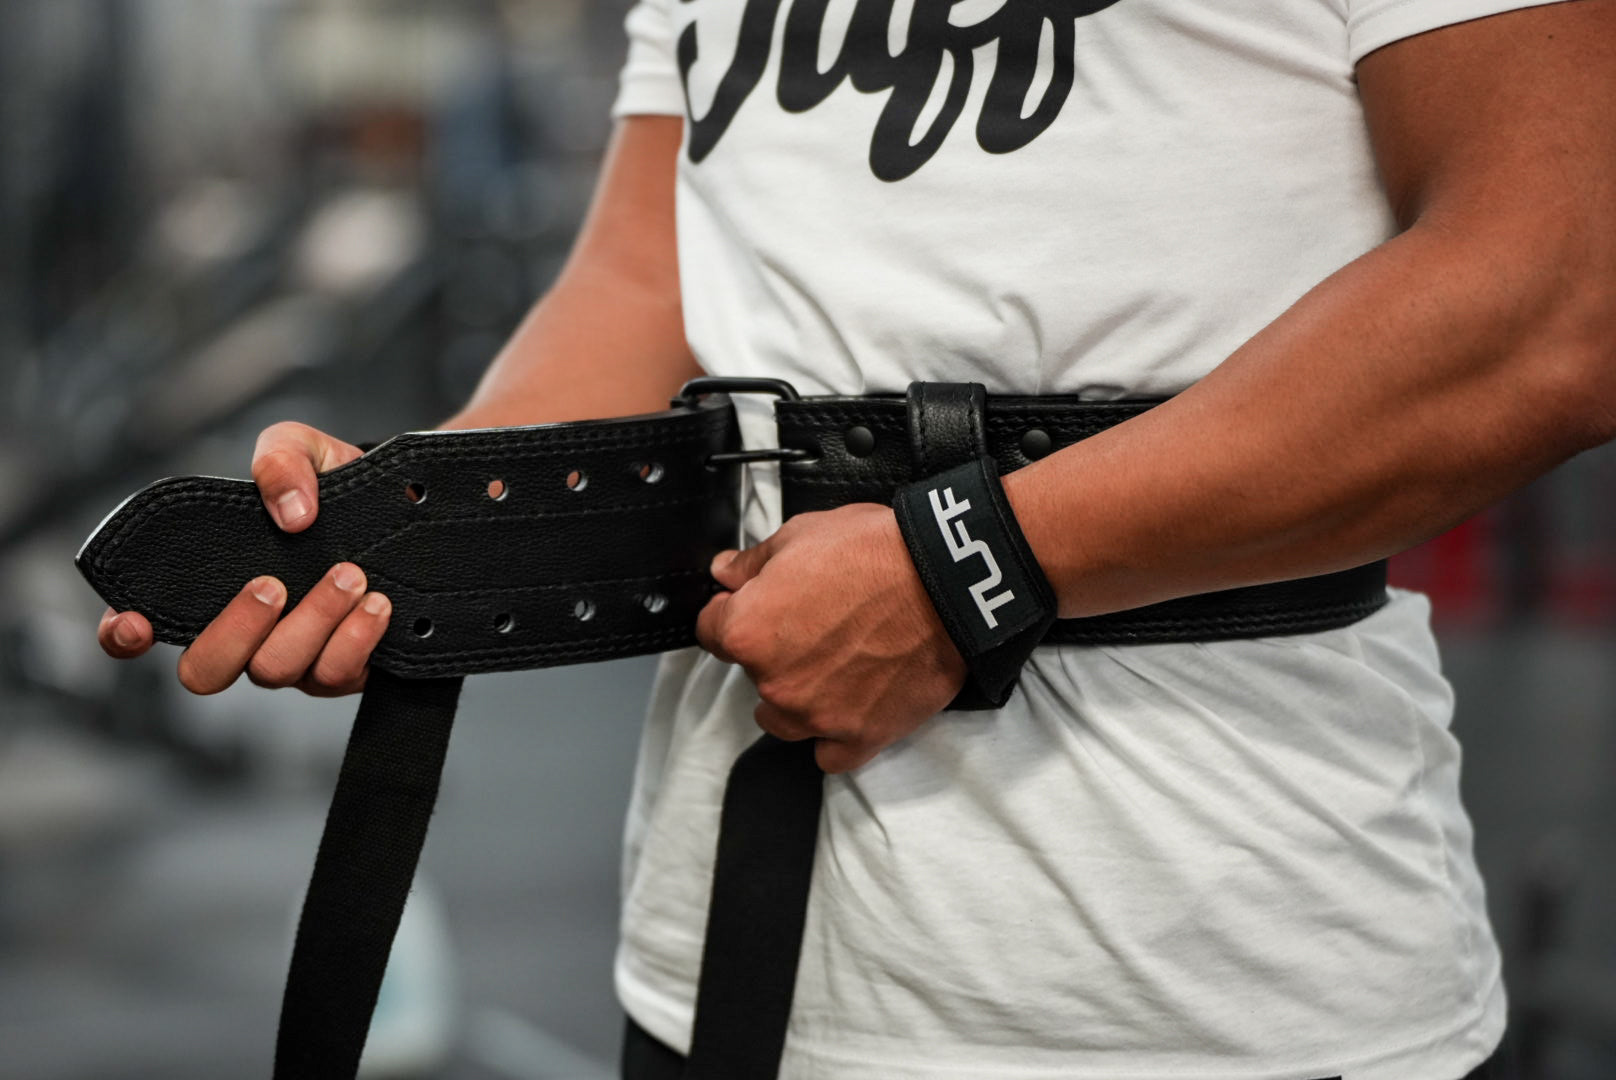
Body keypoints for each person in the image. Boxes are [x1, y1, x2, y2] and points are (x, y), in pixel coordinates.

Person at [99, 0, 1616, 1076]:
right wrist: (404, 523)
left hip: (1206, 998)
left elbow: (1559, 287)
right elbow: (650, 282)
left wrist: (970, 567)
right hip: (726, 972)